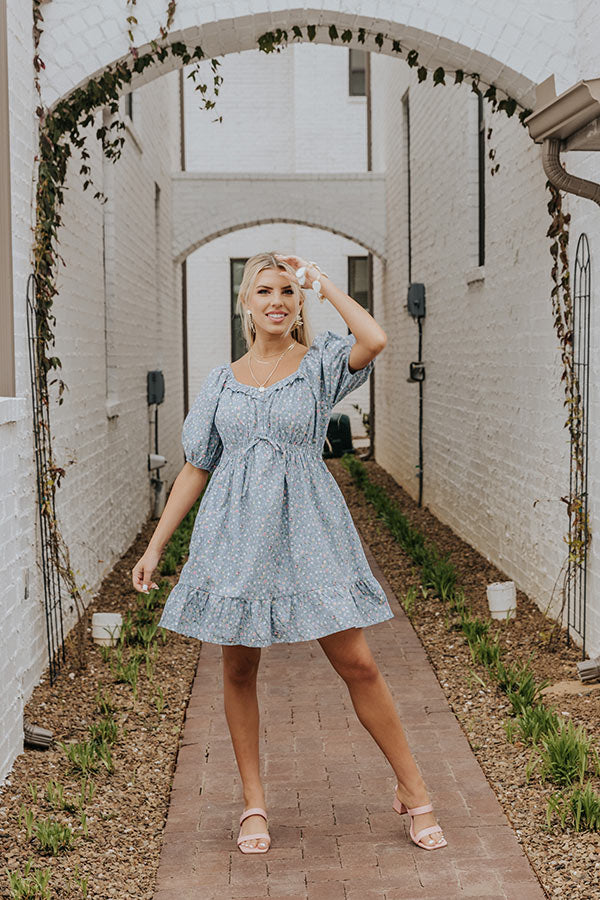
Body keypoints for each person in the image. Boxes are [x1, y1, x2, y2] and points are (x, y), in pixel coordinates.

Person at [131, 251, 447, 854]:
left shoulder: (319, 364)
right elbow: (197, 468)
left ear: (297, 302)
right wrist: (155, 547)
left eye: (286, 291)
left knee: (357, 661)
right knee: (239, 667)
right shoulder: (220, 383)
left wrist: (324, 282)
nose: (276, 300)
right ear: (245, 304)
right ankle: (254, 804)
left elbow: (375, 337)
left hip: (311, 531)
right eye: (263, 291)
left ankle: (413, 787)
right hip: (236, 538)